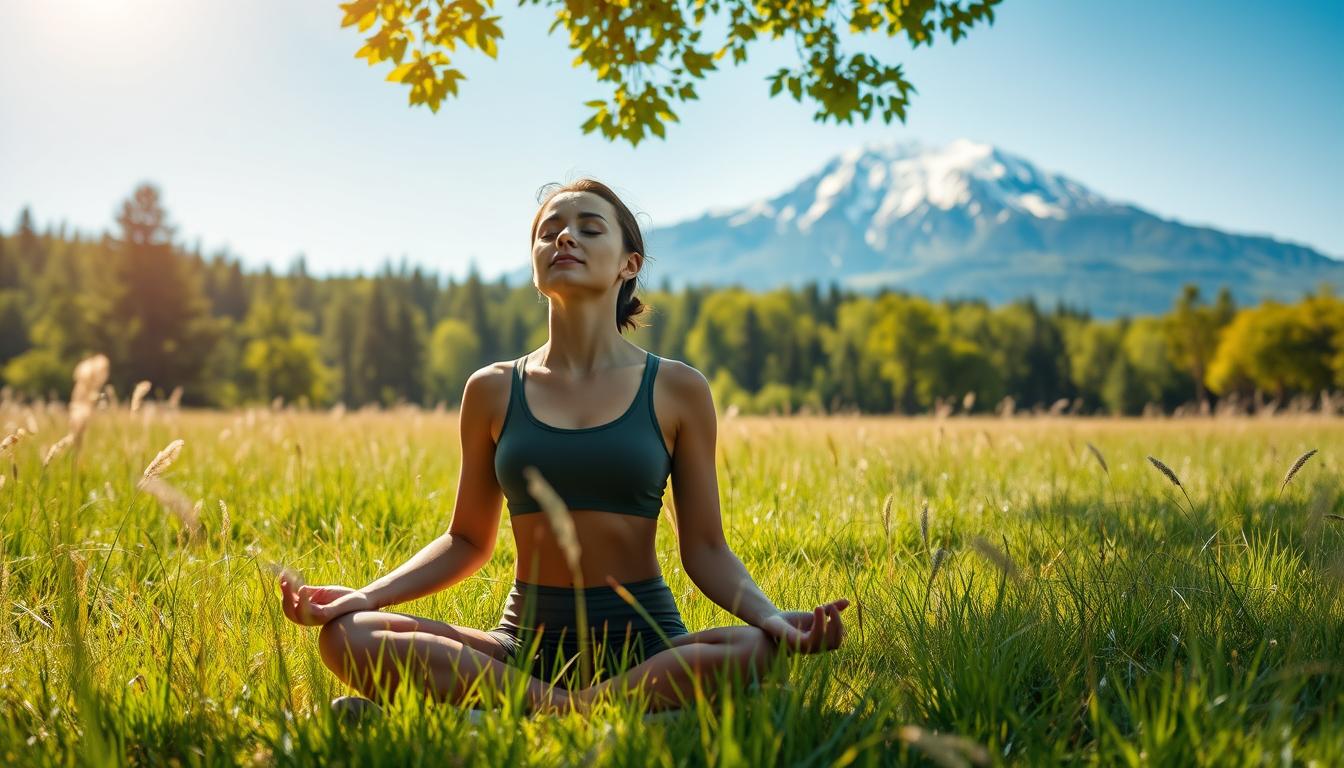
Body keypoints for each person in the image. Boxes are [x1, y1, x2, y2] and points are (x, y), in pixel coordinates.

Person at [277, 178, 849, 715]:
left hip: (648, 647)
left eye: (589, 228)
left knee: (761, 650)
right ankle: (590, 715)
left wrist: (772, 618)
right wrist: (363, 598)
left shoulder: (678, 389)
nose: (565, 237)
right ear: (535, 266)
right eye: (549, 232)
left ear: (631, 264)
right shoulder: (492, 389)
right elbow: (466, 540)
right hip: (521, 649)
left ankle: (522, 715)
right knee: (348, 636)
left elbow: (704, 550)